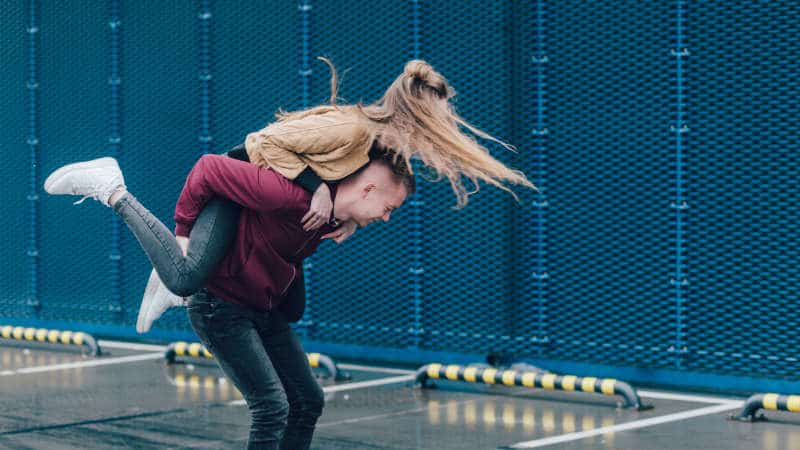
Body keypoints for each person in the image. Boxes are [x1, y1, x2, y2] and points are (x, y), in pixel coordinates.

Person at [128, 57, 538, 333]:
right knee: (187, 276)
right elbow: (262, 142)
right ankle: (139, 226)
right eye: (442, 114)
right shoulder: (354, 129)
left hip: (268, 199)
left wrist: (353, 220)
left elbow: (359, 192)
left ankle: (172, 279)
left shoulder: (380, 148)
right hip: (237, 184)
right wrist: (316, 187)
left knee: (286, 309)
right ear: (418, 110)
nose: (446, 122)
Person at [44, 149, 415, 449]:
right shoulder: (286, 194)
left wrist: (343, 217)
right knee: (272, 407)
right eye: (389, 208)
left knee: (308, 401)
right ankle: (114, 191)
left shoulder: (331, 216)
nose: (385, 218)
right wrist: (183, 237)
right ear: (367, 190)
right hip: (220, 306)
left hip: (262, 308)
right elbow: (208, 167)